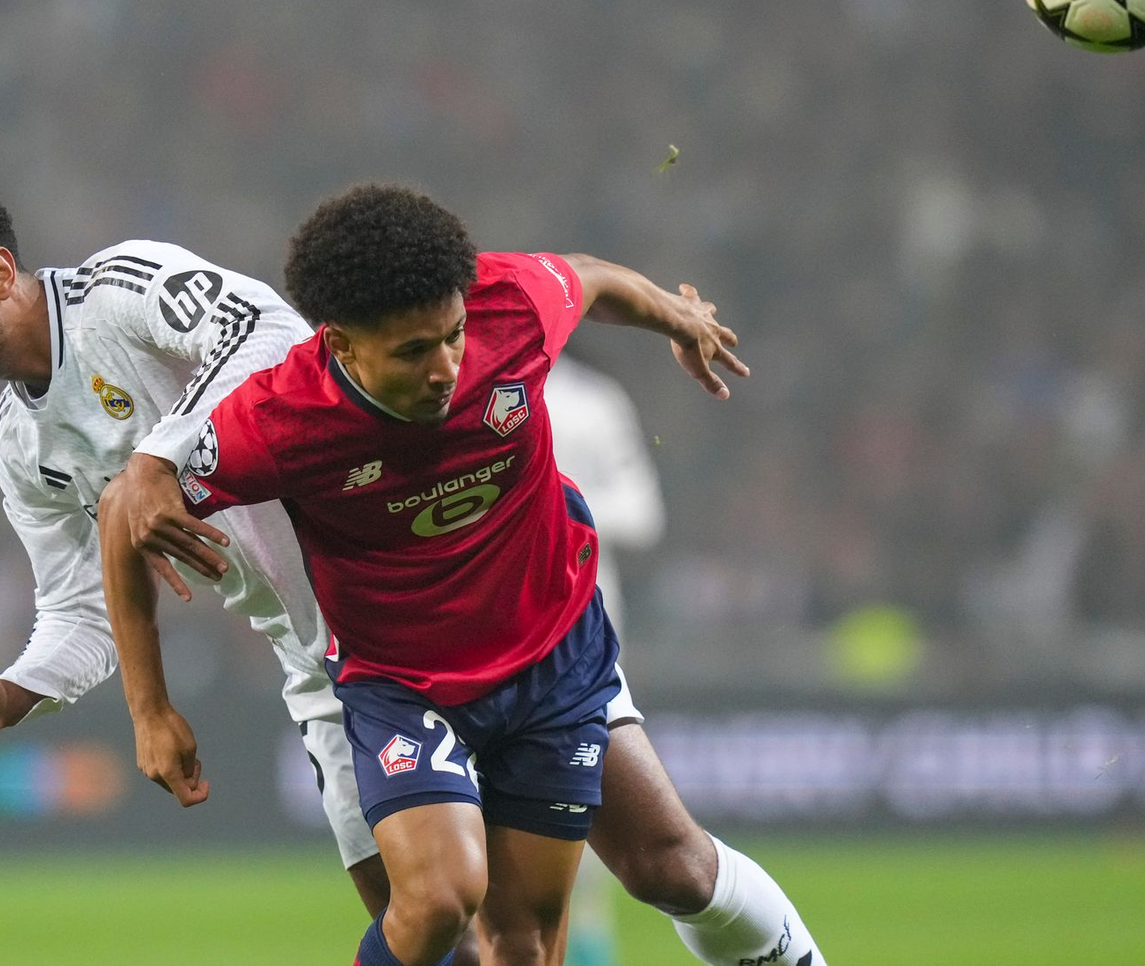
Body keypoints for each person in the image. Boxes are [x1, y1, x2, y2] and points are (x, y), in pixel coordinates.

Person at [99, 184, 826, 966]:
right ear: (341, 345)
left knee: (529, 939)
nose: (446, 366)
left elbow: (589, 276)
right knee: (441, 897)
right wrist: (150, 709)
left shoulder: (509, 307)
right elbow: (121, 512)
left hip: (551, 658)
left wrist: (675, 316)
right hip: (404, 684)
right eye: (414, 351)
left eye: (453, 335)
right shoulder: (280, 420)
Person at [0, 182, 389, 913]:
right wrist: (13, 697)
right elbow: (81, 612)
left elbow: (271, 333)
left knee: (554, 890)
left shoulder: (118, 292)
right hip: (319, 667)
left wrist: (156, 460)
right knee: (419, 931)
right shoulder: (22, 447)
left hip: (409, 592)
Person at [546, 353, 665, 966]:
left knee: (580, 784)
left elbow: (643, 513)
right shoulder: (450, 387)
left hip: (583, 623)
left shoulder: (592, 401)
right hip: (482, 624)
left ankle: (590, 947)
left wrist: (551, 502)